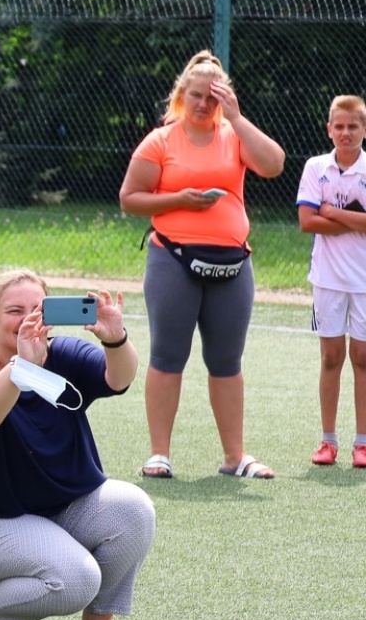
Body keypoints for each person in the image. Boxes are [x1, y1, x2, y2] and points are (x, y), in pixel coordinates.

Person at [0, 271, 154, 620]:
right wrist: (22, 365)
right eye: (14, 310)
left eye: (36, 309)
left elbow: (119, 378)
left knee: (135, 510)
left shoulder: (62, 354)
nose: (26, 319)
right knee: (77, 578)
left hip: (55, 511)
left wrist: (115, 338)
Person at [119, 50, 285, 480]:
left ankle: (236, 457)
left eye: (212, 98)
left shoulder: (233, 135)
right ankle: (160, 453)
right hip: (172, 258)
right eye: (195, 95)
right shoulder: (160, 141)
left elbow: (273, 164)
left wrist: (238, 118)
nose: (202, 105)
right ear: (181, 94)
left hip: (232, 266)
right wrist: (180, 199)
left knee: (227, 360)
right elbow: (130, 198)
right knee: (168, 354)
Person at [295, 95, 366, 468]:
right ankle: (328, 440)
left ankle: (362, 443)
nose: (345, 132)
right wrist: (354, 221)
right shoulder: (315, 167)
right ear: (329, 129)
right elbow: (307, 221)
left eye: (353, 126)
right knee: (331, 357)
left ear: (364, 130)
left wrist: (333, 213)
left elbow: (322, 215)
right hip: (327, 280)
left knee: (363, 357)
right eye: (338, 126)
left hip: (364, 283)